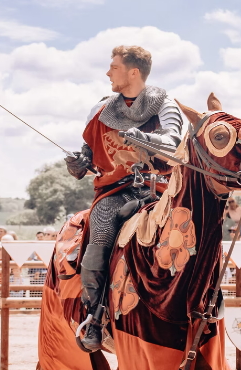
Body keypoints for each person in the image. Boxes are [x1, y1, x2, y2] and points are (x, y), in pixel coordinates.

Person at [65, 45, 183, 350]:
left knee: (191, 230)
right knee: (101, 231)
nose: (108, 73)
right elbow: (89, 155)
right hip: (116, 191)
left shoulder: (164, 104)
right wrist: (79, 163)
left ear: (133, 72)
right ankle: (94, 316)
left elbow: (173, 142)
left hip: (158, 191)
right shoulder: (101, 109)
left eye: (114, 67)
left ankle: (205, 302)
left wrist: (141, 136)